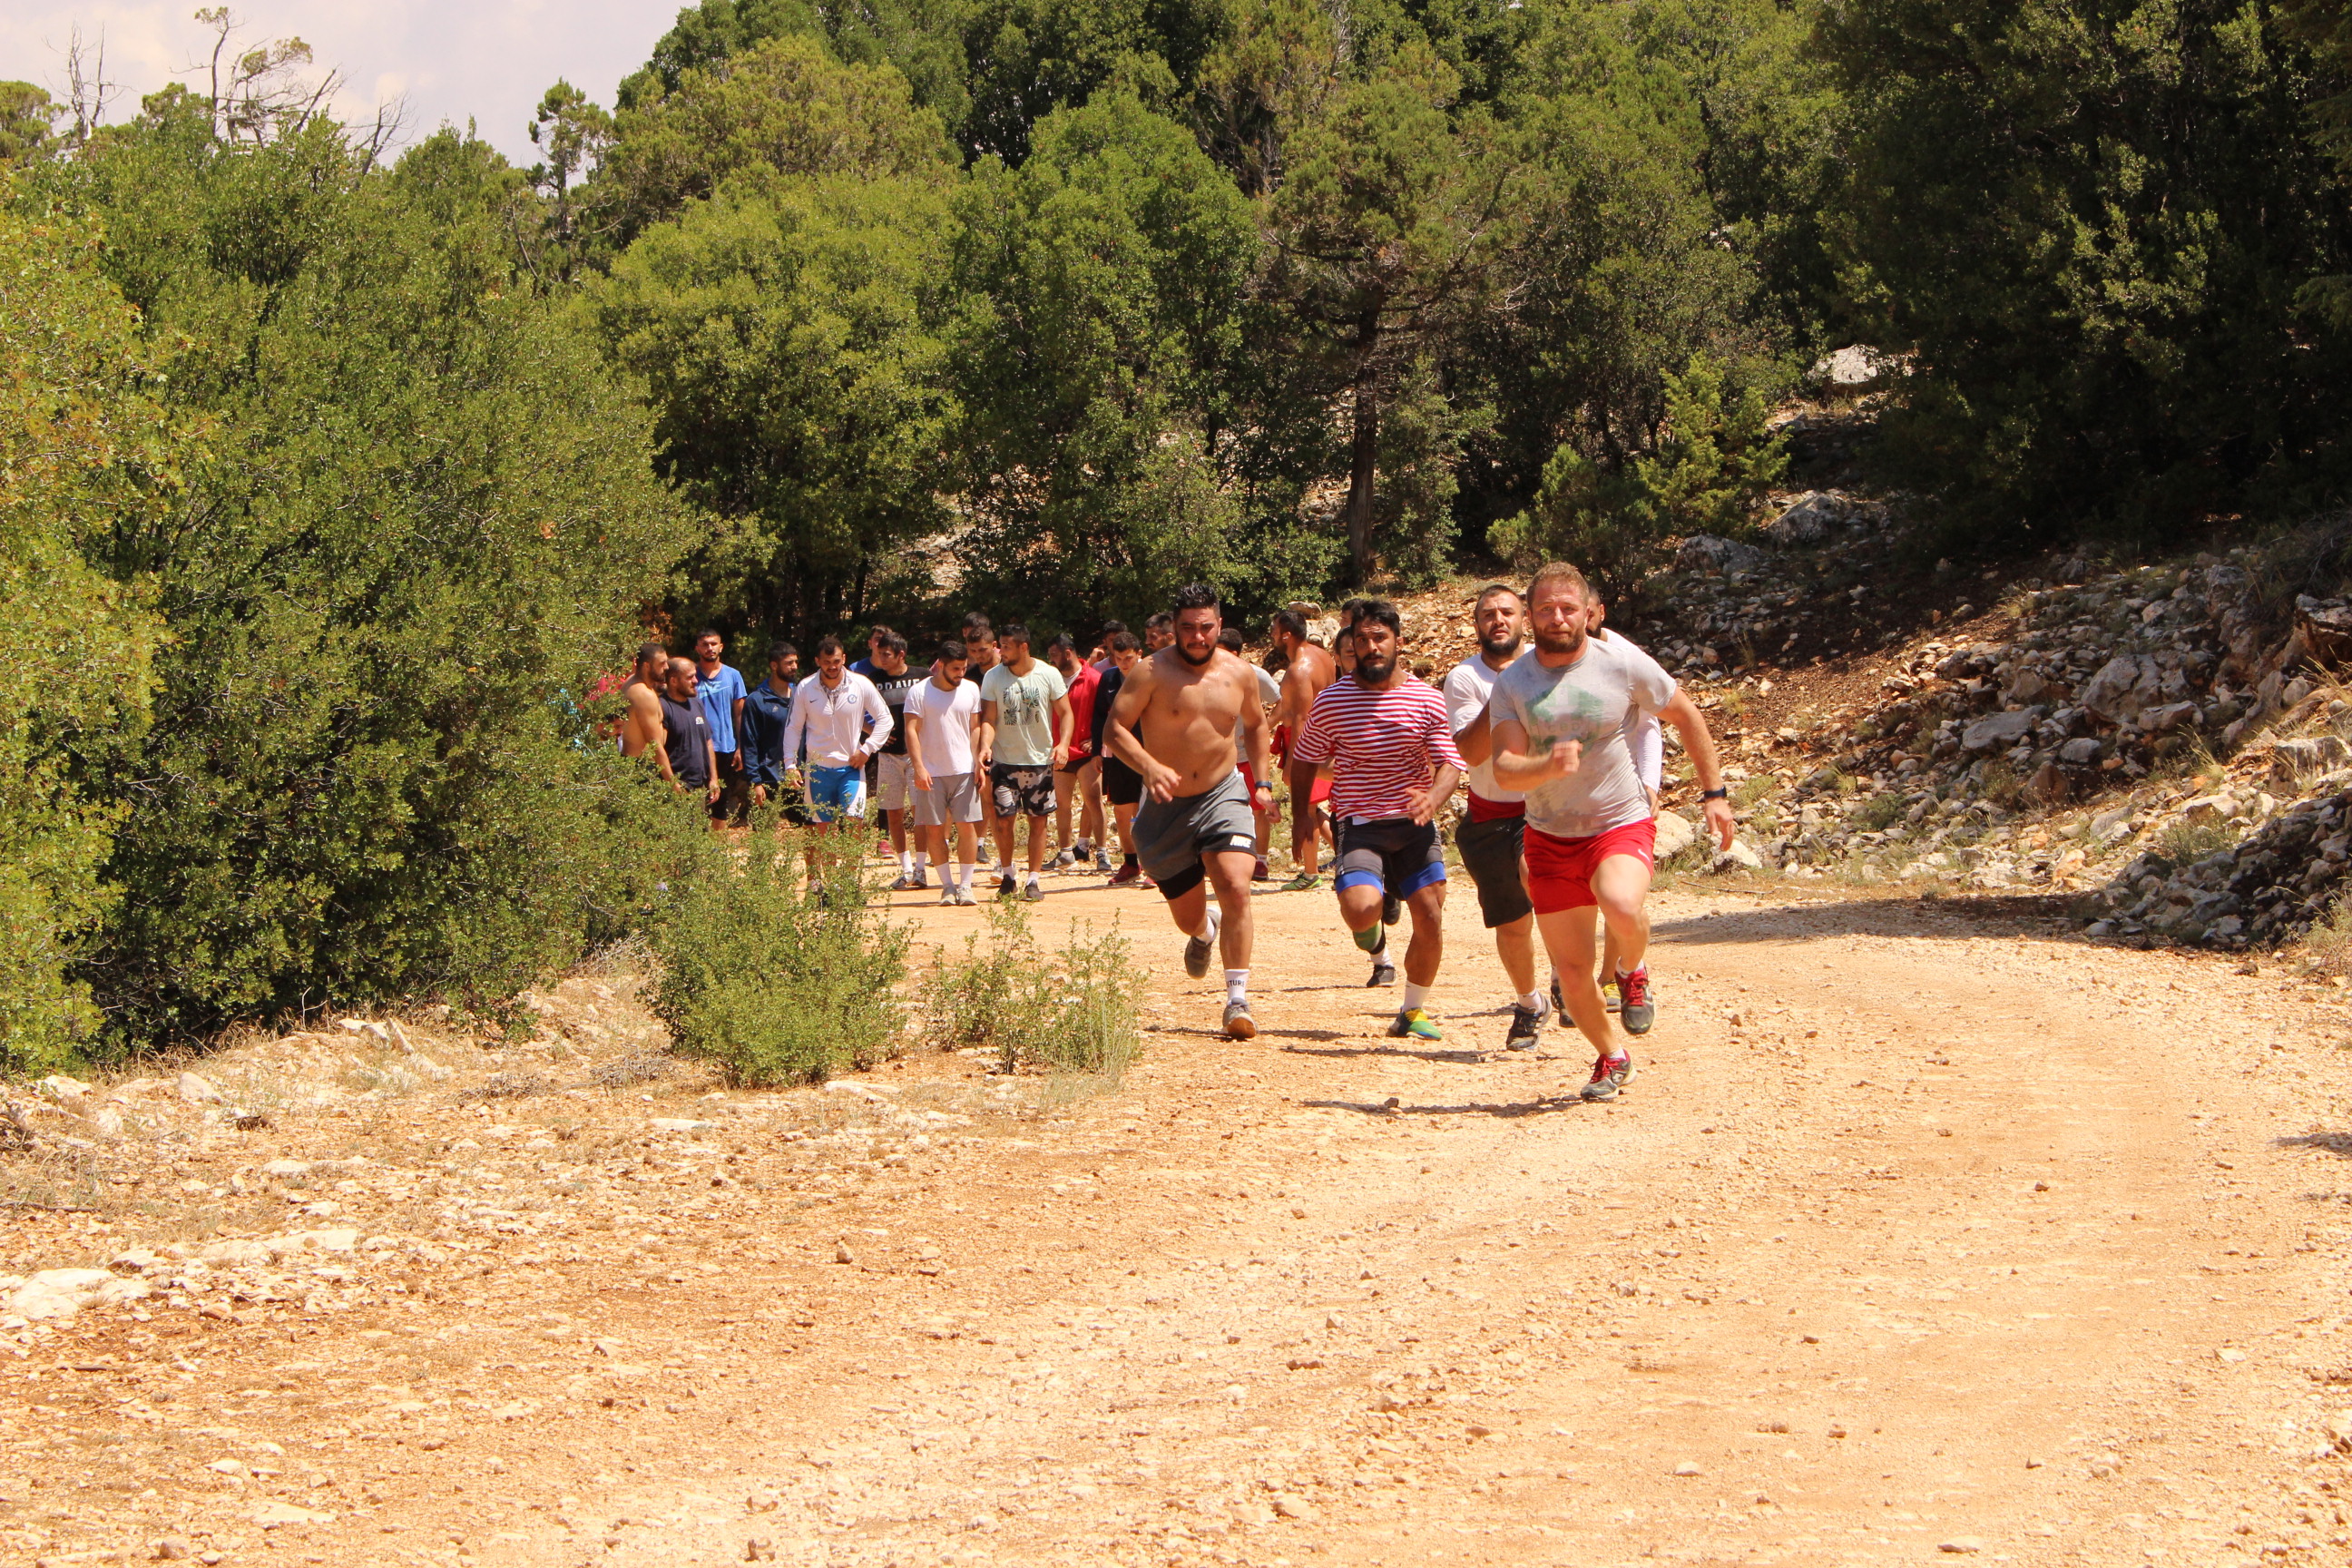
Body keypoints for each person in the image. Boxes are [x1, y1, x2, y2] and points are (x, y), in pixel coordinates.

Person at [1487, 562, 1736, 1102]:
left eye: (1568, 608)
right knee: (1573, 973)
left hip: (1617, 821)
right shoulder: (1513, 682)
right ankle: (1612, 1056)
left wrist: (1713, 795)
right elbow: (1505, 767)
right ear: (1530, 616)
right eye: (1547, 609)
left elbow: (1687, 716)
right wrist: (1546, 767)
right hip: (1549, 835)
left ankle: (1630, 966)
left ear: (1588, 613)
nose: (1558, 617)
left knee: (1621, 904)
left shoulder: (1621, 663)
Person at [1104, 584, 1275, 1040]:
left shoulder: (1240, 674)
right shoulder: (1150, 672)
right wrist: (1149, 765)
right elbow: (1115, 728)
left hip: (1223, 793)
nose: (1198, 637)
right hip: (1165, 806)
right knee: (1187, 914)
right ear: (1173, 629)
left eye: (1206, 627)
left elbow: (1257, 727)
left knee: (1237, 885)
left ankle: (1237, 998)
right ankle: (1203, 931)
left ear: (1219, 625)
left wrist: (1261, 783)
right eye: (1188, 629)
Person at [1291, 601, 1465, 1042]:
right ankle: (1371, 922)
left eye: (1379, 639)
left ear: (1398, 643)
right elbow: (1305, 759)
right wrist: (1300, 819)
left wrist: (1433, 798)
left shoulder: (1427, 698)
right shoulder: (1332, 700)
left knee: (1430, 916)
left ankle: (1412, 1009)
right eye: (1362, 640)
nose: (1371, 648)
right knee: (1360, 908)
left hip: (1413, 825)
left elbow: (1450, 763)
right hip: (1360, 822)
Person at [1443, 584, 1550, 1054]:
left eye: (1507, 612)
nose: (1498, 621)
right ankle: (1529, 1003)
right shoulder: (1463, 679)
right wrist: (1506, 691)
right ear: (1477, 625)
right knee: (1513, 924)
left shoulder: (1550, 668)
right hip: (1488, 817)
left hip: (1543, 809)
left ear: (1524, 618)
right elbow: (1467, 751)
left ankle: (1570, 975)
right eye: (1488, 615)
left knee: (1540, 882)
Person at [1587, 593, 1666, 1016]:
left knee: (1618, 894)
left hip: (1625, 793)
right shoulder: (1546, 660)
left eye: (1586, 612)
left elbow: (1649, 725)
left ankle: (1617, 974)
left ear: (1599, 613)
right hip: (1572, 796)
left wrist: (1649, 786)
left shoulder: (1625, 657)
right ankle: (1580, 979)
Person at [780, 637, 895, 893]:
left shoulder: (860, 684)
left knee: (854, 822)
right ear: (817, 662)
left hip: (851, 768)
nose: (832, 667)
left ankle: (848, 884)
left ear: (844, 659)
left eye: (837, 661)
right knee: (818, 827)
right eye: (827, 662)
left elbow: (885, 720)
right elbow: (793, 728)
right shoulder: (805, 687)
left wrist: (866, 750)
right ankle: (816, 882)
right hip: (818, 769)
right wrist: (790, 764)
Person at [978, 622, 1072, 901]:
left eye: (1006, 646)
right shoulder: (993, 677)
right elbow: (989, 718)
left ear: (1023, 647)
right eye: (1000, 645)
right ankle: (1008, 875)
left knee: (1038, 822)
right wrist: (985, 746)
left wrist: (1063, 744)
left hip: (1039, 761)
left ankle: (1033, 880)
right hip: (1005, 761)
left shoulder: (1048, 674)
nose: (1000, 650)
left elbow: (1066, 713)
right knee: (1004, 820)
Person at [902, 640, 985, 905]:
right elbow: (911, 730)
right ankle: (947, 886)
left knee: (967, 827)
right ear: (939, 666)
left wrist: (978, 762)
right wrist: (918, 767)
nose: (961, 673)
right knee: (935, 830)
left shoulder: (971, 689)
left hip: (964, 770)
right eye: (955, 668)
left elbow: (975, 727)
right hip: (931, 771)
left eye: (963, 667)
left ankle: (966, 885)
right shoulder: (919, 692)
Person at [1267, 609, 1337, 891]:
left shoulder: (1298, 668)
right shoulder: (1322, 657)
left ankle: (1310, 873)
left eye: (1273, 629)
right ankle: (1342, 860)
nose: (1271, 634)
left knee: (1307, 810)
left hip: (1311, 747)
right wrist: (1266, 724)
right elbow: (1289, 703)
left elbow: (1302, 717)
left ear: (1286, 634)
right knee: (1314, 808)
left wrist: (1296, 763)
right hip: (1329, 741)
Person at [860, 632, 929, 889]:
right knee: (893, 814)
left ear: (901, 655)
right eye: (879, 654)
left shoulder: (922, 677)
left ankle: (921, 869)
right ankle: (906, 869)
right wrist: (873, 733)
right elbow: (855, 711)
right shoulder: (872, 680)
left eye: (887, 655)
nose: (881, 659)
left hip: (916, 756)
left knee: (920, 813)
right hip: (887, 757)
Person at [1219, 627, 1282, 880]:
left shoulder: (1256, 675)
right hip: (1220, 756)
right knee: (1221, 810)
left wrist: (1266, 726)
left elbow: (1282, 701)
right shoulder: (1209, 675)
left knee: (1258, 809)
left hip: (1248, 754)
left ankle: (1261, 861)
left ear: (1234, 653)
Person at [1092, 632, 1151, 887]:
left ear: (1140, 654)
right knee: (1123, 809)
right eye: (1118, 658)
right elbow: (1098, 716)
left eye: (1129, 658)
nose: (1124, 664)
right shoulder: (1108, 678)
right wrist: (1096, 751)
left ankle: (1154, 867)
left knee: (1150, 810)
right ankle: (1130, 862)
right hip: (1115, 754)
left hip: (1149, 754)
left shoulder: (1151, 677)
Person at [1045, 632, 1105, 872]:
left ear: (1067, 653)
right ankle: (1065, 852)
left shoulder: (1093, 678)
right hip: (1060, 751)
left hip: (1084, 752)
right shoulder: (1051, 678)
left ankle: (1102, 853)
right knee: (1062, 804)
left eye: (1054, 654)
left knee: (1093, 800)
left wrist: (1097, 739)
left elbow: (1105, 712)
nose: (1050, 659)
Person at [741, 641, 808, 824]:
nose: (794, 667)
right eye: (789, 663)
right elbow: (749, 743)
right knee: (763, 836)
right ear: (774, 665)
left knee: (810, 831)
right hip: (767, 779)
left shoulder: (800, 696)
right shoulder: (757, 700)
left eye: (795, 662)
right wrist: (755, 781)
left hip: (797, 777)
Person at [693, 630, 750, 828]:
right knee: (697, 801)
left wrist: (740, 748)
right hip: (696, 749)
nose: (710, 648)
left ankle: (718, 851)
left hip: (725, 747)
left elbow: (740, 714)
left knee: (722, 802)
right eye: (705, 644)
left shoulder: (733, 676)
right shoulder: (691, 675)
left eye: (713, 644)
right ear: (697, 648)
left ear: (721, 646)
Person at [657, 656, 720, 817]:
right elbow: (657, 749)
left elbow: (708, 742)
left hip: (700, 787)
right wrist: (673, 785)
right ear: (673, 681)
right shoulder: (662, 707)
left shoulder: (696, 703)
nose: (696, 681)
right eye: (689, 677)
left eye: (695, 675)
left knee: (700, 838)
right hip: (677, 789)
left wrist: (713, 778)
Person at [620, 641, 669, 760]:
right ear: (647, 666)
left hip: (636, 763)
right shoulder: (644, 694)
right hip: (640, 766)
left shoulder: (632, 681)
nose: (667, 667)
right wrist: (671, 779)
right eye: (662, 663)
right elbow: (655, 746)